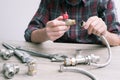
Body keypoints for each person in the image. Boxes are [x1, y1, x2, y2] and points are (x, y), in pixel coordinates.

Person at [24, 0, 120, 46]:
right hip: (59, 58)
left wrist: (104, 34)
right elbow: (29, 33)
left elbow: (118, 39)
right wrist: (45, 33)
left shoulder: (104, 1)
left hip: (94, 58)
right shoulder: (49, 1)